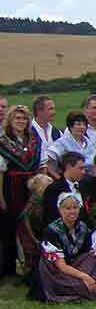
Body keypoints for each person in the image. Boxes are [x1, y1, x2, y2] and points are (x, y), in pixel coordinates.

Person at [31, 193, 96, 303]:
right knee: (82, 285)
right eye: (68, 208)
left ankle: (92, 286)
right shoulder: (51, 231)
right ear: (60, 210)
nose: (72, 211)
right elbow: (61, 266)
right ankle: (83, 288)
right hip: (56, 271)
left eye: (75, 208)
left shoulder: (81, 227)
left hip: (74, 264)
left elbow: (86, 252)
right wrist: (84, 276)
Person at [1, 104, 46, 275]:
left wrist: (43, 186)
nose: (21, 121)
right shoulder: (4, 142)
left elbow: (42, 166)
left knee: (34, 223)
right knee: (13, 225)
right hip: (12, 186)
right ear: (10, 121)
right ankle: (10, 268)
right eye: (17, 118)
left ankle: (34, 263)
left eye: (24, 118)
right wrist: (1, 198)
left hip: (33, 185)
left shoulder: (34, 140)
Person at [16, 174, 53, 276]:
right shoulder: (31, 206)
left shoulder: (47, 201)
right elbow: (26, 226)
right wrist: (36, 241)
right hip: (32, 239)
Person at [48, 111, 96, 176]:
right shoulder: (63, 142)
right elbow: (49, 159)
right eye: (78, 124)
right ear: (71, 127)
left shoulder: (89, 143)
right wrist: (58, 179)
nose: (82, 127)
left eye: (84, 124)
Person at [43, 152, 88, 227]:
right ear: (68, 167)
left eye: (84, 168)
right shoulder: (54, 189)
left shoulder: (84, 185)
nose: (83, 172)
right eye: (80, 168)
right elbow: (51, 217)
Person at [30, 96, 60, 169]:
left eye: (53, 109)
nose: (54, 112)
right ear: (39, 111)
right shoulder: (28, 132)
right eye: (50, 109)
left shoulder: (56, 132)